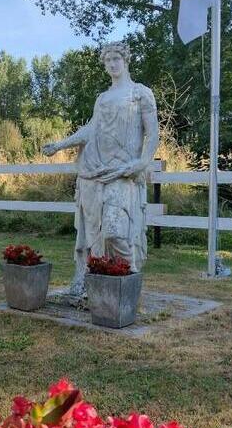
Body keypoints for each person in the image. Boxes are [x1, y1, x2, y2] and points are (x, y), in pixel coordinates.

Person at [42, 42, 159, 296]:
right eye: (107, 61)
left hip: (123, 173)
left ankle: (127, 281)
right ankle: (99, 285)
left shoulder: (140, 93)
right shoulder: (103, 98)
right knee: (95, 234)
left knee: (116, 231)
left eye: (116, 58)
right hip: (95, 171)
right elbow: (91, 129)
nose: (112, 64)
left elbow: (153, 134)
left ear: (126, 60)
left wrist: (140, 163)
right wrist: (61, 144)